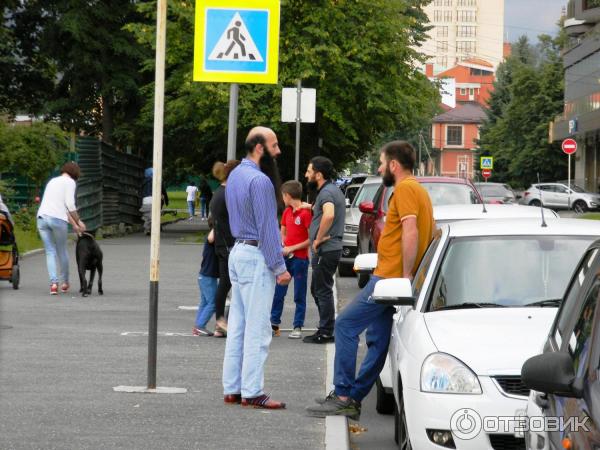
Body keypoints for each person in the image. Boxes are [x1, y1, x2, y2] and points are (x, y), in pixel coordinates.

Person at [307, 141, 435, 421]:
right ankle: (353, 398)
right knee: (377, 340)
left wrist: (406, 274)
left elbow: (411, 231)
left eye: (380, 163)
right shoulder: (418, 191)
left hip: (388, 280)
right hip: (389, 277)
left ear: (393, 165)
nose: (378, 168)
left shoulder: (405, 189)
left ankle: (343, 395)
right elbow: (430, 232)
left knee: (345, 325)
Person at [222, 126, 291, 409]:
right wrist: (280, 267)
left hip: (238, 252)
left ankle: (232, 388)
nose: (278, 151)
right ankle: (253, 391)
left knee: (237, 324)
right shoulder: (261, 181)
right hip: (255, 256)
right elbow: (268, 229)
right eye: (274, 146)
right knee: (259, 328)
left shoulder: (235, 175)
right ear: (260, 147)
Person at [303, 156, 346, 344]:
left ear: (318, 175)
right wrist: (308, 207)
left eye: (309, 171)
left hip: (326, 249)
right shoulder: (330, 190)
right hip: (329, 249)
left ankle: (326, 331)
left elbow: (328, 214)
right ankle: (326, 327)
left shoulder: (326, 192)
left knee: (322, 290)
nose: (306, 175)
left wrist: (318, 239)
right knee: (318, 289)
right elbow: (323, 210)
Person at [37, 162, 86, 295]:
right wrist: (78, 221)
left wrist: (75, 225)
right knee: (62, 251)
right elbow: (69, 205)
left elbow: (62, 207)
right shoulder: (70, 182)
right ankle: (65, 282)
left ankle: (53, 284)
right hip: (57, 220)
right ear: (75, 173)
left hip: (42, 218)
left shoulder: (52, 181)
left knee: (50, 252)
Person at [270, 180, 311, 339]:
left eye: (282, 196)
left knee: (299, 294)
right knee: (279, 291)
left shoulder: (306, 213)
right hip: (285, 259)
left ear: (287, 195)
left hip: (300, 259)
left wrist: (292, 248)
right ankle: (274, 323)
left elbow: (310, 238)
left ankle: (297, 325)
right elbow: (283, 231)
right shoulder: (287, 212)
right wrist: (283, 245)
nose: (282, 199)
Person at [210, 160, 240, 338]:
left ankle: (221, 322)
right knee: (230, 284)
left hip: (223, 244)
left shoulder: (219, 193)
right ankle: (222, 320)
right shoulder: (228, 194)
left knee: (226, 283)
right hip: (230, 245)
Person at [193, 226, 219, 336]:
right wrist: (217, 225)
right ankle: (200, 325)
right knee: (213, 302)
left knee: (204, 302)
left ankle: (197, 326)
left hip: (204, 276)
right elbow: (210, 238)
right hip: (207, 277)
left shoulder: (215, 241)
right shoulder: (211, 238)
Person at [140, 168, 169, 235]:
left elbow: (141, 191)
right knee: (155, 215)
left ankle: (147, 228)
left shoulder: (144, 182)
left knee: (148, 216)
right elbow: (163, 190)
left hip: (145, 200)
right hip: (155, 199)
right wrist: (166, 200)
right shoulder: (158, 180)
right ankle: (154, 229)